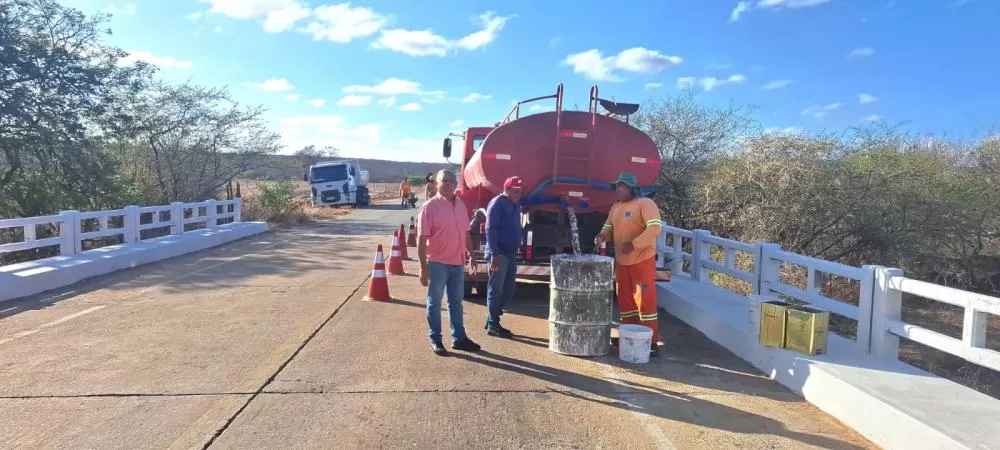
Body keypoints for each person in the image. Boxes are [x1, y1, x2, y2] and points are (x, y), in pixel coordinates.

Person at [483, 176, 565, 337]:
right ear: (506, 190)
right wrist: (494, 254)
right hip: (499, 254)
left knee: (509, 289)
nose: (517, 194)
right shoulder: (497, 204)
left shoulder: (517, 201)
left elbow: (535, 199)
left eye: (519, 192)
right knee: (496, 290)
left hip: (510, 254)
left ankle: (492, 319)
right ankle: (493, 324)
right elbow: (490, 229)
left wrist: (556, 198)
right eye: (514, 191)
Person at [594, 172, 664, 356]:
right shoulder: (616, 207)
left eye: (622, 186)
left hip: (642, 260)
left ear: (632, 188)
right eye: (617, 186)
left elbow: (655, 228)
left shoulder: (645, 204)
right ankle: (630, 336)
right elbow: (609, 227)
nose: (618, 190)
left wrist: (634, 245)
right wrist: (602, 236)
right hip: (622, 262)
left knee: (644, 301)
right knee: (625, 299)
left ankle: (651, 341)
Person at [417, 169, 481, 355]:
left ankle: (459, 338)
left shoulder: (461, 205)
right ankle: (435, 339)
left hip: (457, 263)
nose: (448, 184)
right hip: (437, 263)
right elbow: (422, 239)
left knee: (456, 303)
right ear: (436, 184)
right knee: (434, 303)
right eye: (443, 180)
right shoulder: (429, 207)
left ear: (456, 184)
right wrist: (423, 268)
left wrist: (472, 255)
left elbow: (466, 233)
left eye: (451, 180)